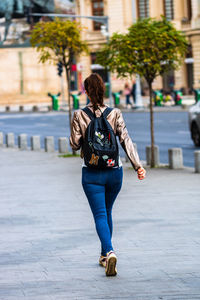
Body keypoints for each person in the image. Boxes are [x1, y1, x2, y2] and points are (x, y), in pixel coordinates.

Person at [70, 73, 146, 277]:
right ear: (104, 91)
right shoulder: (115, 113)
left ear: (86, 92)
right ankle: (105, 255)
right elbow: (126, 140)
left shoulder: (79, 115)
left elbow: (74, 144)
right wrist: (138, 165)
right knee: (108, 211)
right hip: (115, 172)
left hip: (92, 174)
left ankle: (110, 252)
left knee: (100, 214)